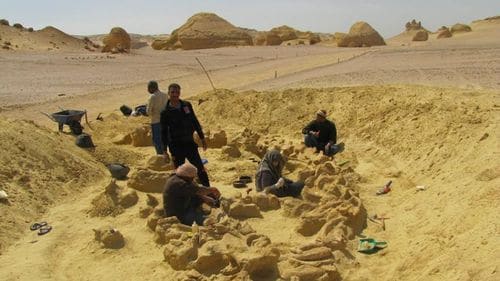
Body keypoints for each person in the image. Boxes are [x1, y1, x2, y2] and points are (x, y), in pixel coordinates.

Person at [160, 83, 210, 187]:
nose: (175, 94)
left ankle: (209, 192)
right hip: (176, 147)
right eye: (173, 92)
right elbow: (163, 132)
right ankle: (182, 195)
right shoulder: (165, 112)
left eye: (177, 92)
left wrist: (202, 138)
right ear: (168, 93)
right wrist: (164, 150)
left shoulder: (186, 105)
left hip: (189, 144)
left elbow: (194, 121)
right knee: (179, 173)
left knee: (200, 168)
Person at [146, 81, 168, 155]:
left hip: (156, 121)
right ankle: (165, 154)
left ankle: (160, 156)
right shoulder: (165, 95)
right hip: (165, 121)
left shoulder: (152, 97)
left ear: (152, 88)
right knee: (164, 139)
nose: (148, 90)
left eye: (148, 88)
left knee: (157, 140)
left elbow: (148, 112)